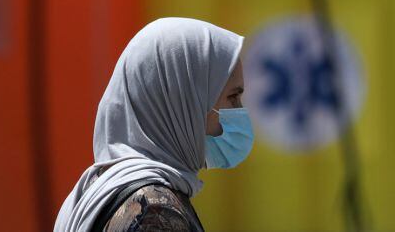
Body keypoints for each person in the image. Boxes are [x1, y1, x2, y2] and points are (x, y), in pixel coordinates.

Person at [53, 17, 252, 232]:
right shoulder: (155, 213)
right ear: (184, 102)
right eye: (233, 97)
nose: (239, 110)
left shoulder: (90, 193)